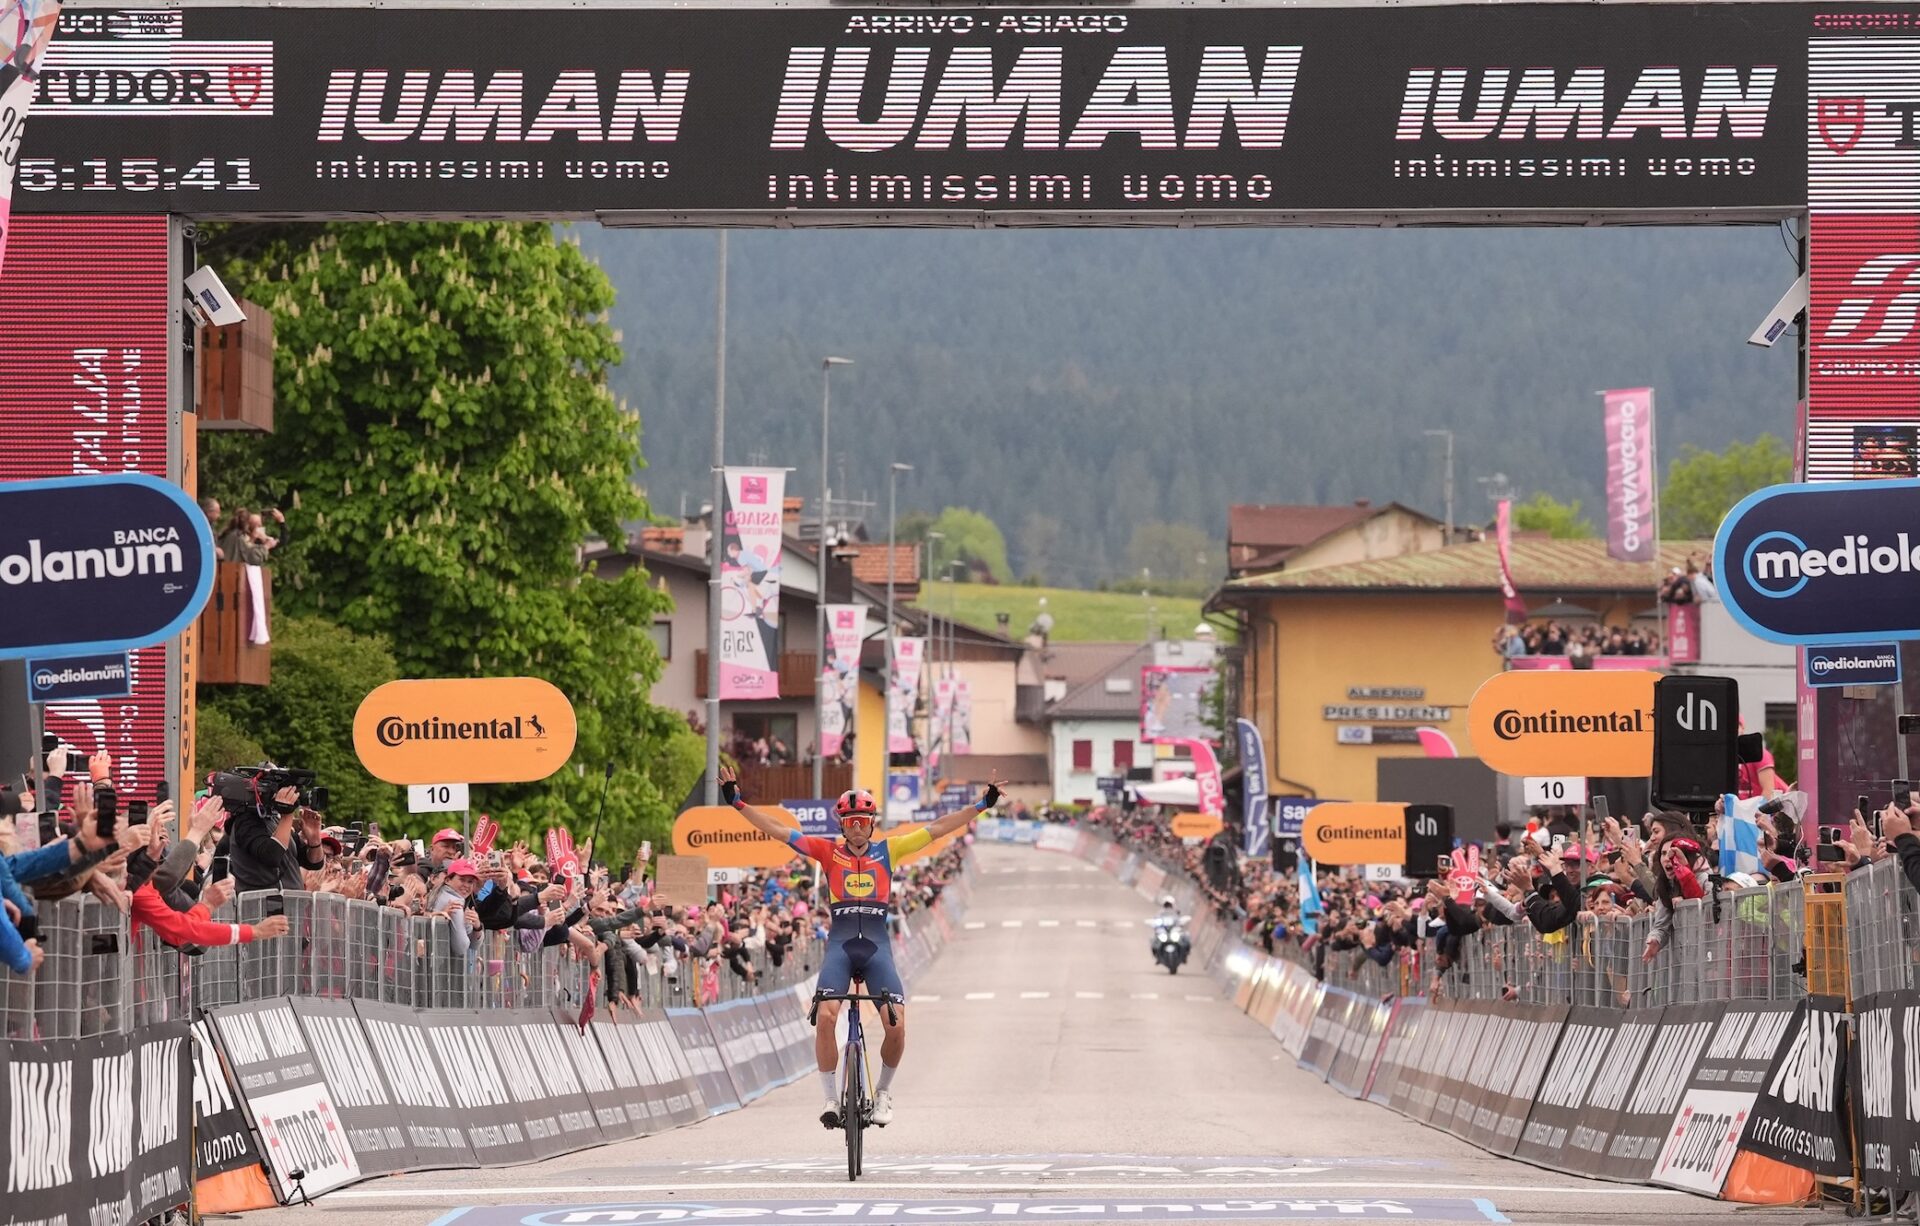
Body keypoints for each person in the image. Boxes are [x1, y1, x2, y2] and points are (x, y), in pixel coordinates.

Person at [719, 762, 1000, 1129]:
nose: (856, 826)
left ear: (871, 823)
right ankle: (831, 1099)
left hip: (876, 950)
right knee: (825, 1017)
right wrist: (738, 804)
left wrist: (981, 806)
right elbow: (778, 830)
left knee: (896, 1027)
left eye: (862, 820)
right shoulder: (825, 851)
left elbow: (937, 829)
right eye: (849, 820)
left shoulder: (891, 850)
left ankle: (883, 1092)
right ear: (841, 823)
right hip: (841, 945)